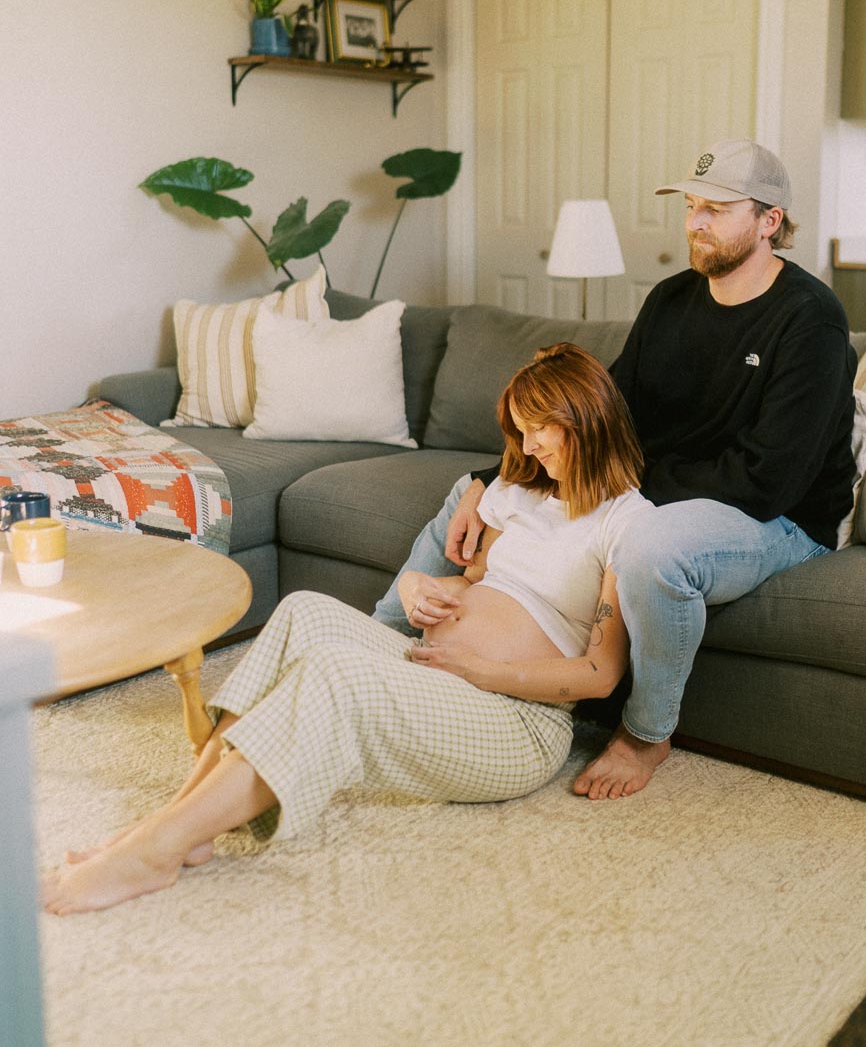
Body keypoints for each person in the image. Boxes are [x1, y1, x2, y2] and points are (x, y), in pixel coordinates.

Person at [43, 344, 651, 916]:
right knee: (306, 609)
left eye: (540, 428)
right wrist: (421, 589)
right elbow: (476, 582)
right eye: (519, 429)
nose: (528, 443)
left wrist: (480, 669)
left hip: (517, 720)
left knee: (335, 675)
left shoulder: (627, 523)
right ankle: (179, 823)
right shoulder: (519, 493)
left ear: (585, 418)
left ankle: (152, 850)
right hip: (434, 670)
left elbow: (599, 676)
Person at [373, 139, 858, 801]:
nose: (696, 223)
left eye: (717, 209)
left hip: (778, 518)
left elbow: (766, 480)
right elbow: (608, 412)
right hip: (670, 487)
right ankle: (380, 637)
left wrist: (618, 492)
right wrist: (496, 476)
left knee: (648, 545)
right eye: (691, 206)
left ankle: (646, 736)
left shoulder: (810, 320)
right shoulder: (670, 300)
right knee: (473, 492)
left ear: (770, 220)